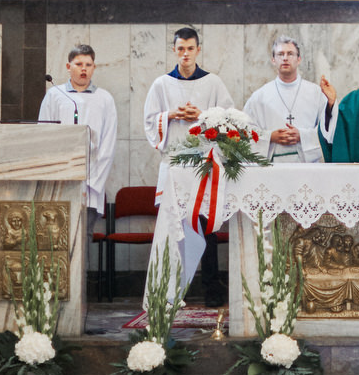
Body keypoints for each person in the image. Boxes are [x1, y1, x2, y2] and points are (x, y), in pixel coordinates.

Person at [143, 26, 235, 304]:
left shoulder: (213, 83)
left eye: (190, 48)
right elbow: (150, 122)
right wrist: (170, 115)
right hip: (174, 165)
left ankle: (211, 288)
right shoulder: (161, 84)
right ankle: (171, 289)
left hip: (204, 164)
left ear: (198, 50)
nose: (185, 54)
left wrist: (202, 116)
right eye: (180, 48)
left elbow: (229, 120)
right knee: (173, 226)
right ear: (174, 50)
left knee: (207, 226)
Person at [38, 44, 117, 239]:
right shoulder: (55, 95)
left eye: (88, 65)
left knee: (83, 238)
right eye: (79, 64)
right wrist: (54, 174)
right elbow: (44, 136)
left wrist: (93, 181)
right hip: (60, 180)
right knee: (55, 239)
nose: (84, 69)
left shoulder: (104, 99)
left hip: (91, 182)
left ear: (94, 67)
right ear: (68, 66)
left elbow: (108, 145)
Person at [244, 36, 335, 163]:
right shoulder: (259, 96)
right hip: (271, 166)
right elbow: (245, 131)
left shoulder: (315, 93)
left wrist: (302, 136)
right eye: (280, 54)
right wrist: (270, 137)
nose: (285, 58)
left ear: (299, 59)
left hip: (307, 166)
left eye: (290, 54)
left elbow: (328, 128)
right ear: (273, 60)